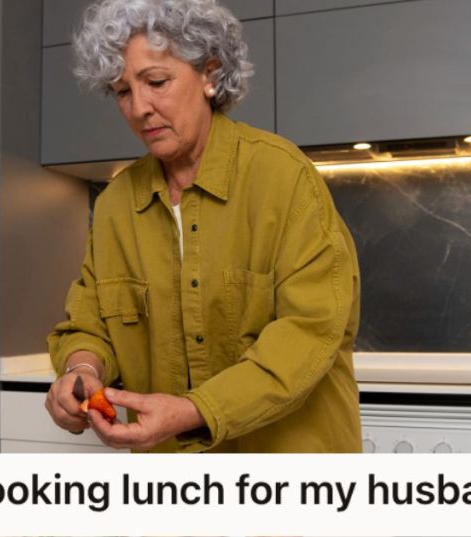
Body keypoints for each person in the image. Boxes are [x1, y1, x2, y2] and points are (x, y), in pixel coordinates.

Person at [45, 0, 361, 453]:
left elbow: (309, 332)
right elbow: (89, 323)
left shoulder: (283, 177)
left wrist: (196, 410)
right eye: (122, 92)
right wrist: (81, 370)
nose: (140, 108)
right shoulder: (116, 205)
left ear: (209, 74)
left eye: (157, 82)